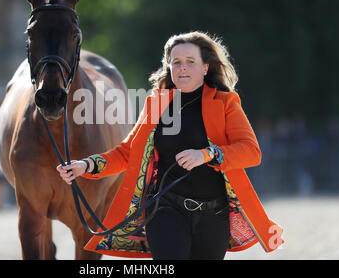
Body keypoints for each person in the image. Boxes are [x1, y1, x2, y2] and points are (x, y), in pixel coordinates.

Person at [57, 31, 283, 259]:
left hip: (214, 215)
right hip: (165, 210)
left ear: (205, 67)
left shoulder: (226, 103)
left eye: (190, 62)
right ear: (169, 67)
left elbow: (251, 152)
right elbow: (126, 153)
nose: (182, 67)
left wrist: (207, 154)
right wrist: (86, 165)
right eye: (176, 62)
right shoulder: (156, 104)